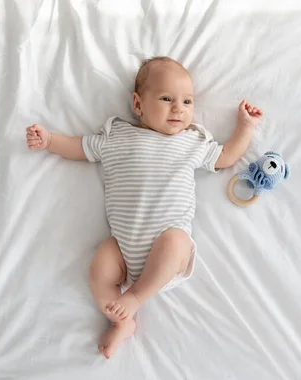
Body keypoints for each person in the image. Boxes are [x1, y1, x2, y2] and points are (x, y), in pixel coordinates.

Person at [25, 56, 263, 359]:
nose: (179, 108)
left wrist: (245, 126)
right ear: (138, 105)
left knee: (177, 240)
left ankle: (135, 299)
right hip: (123, 248)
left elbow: (227, 156)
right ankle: (121, 321)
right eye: (167, 98)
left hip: (166, 245)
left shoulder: (192, 142)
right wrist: (49, 141)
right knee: (101, 264)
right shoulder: (117, 136)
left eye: (187, 101)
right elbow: (80, 147)